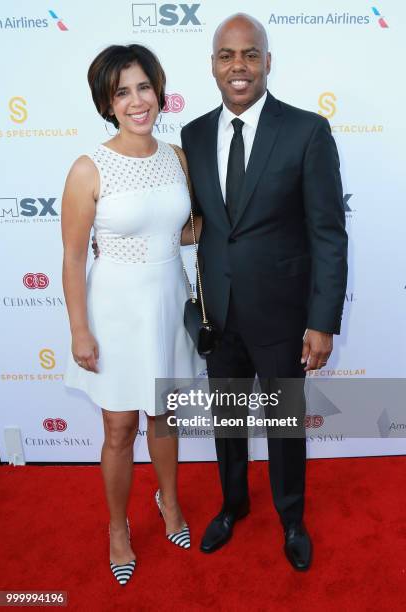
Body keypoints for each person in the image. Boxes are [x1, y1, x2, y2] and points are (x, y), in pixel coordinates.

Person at [180, 14, 348, 570]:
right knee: (227, 424)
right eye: (227, 55)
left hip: (281, 317)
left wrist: (321, 321)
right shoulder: (195, 134)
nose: (239, 67)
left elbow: (328, 232)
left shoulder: (306, 131)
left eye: (250, 54)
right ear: (212, 65)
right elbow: (203, 220)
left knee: (283, 429)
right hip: (219, 315)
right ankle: (232, 506)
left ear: (268, 61)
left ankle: (292, 518)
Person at [61, 43, 204, 586]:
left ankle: (169, 502)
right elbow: (74, 256)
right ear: (108, 102)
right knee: (119, 426)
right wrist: (80, 330)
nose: (137, 101)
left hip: (166, 299)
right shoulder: (87, 168)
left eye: (144, 87)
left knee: (163, 416)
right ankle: (118, 528)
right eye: (123, 92)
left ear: (159, 91)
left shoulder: (177, 156)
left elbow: (188, 229)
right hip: (114, 309)